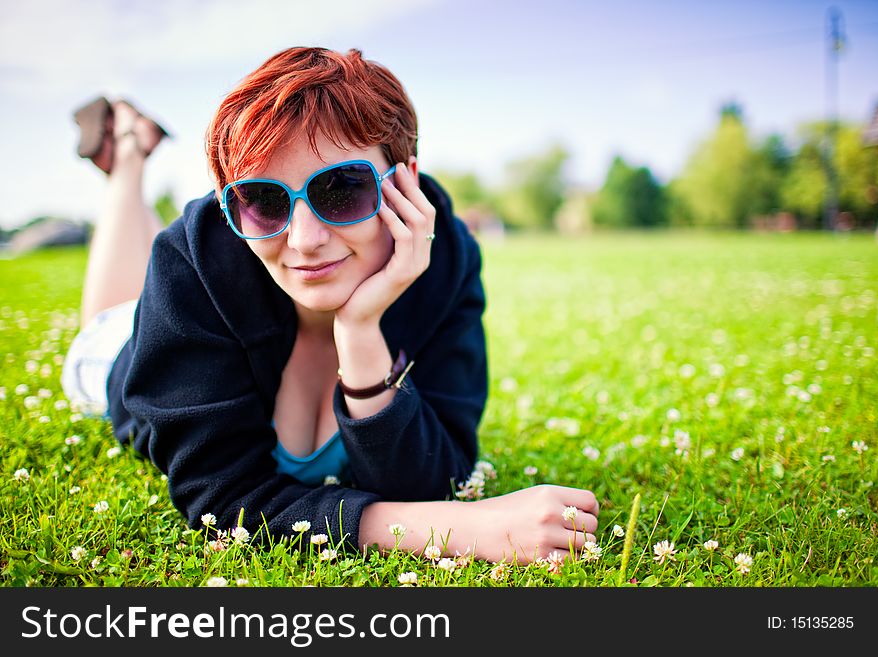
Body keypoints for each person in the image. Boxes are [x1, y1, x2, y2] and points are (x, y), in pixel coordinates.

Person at [61, 47, 599, 565]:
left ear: (405, 179)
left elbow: (435, 476)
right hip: (117, 356)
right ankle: (129, 156)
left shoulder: (447, 258)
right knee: (109, 321)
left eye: (341, 189)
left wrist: (362, 330)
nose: (304, 239)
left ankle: (134, 151)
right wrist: (460, 530)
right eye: (264, 200)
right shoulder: (194, 258)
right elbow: (223, 501)